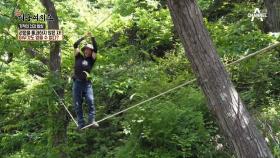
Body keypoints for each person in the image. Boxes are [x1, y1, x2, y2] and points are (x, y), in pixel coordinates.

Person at [72, 32, 99, 129]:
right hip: (77, 83)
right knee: (77, 103)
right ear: (84, 50)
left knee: (90, 101)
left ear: (91, 52)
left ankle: (91, 121)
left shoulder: (92, 59)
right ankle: (81, 123)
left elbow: (96, 48)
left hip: (87, 84)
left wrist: (92, 37)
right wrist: (83, 37)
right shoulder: (78, 56)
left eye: (89, 50)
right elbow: (75, 45)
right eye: (86, 49)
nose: (87, 51)